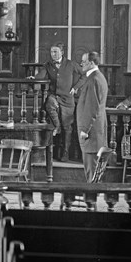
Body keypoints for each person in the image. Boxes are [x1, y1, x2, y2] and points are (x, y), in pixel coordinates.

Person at [30, 43, 85, 162]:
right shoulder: (48, 65)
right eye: (51, 52)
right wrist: (34, 79)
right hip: (54, 96)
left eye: (55, 52)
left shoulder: (70, 64)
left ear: (62, 52)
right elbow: (40, 75)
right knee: (49, 102)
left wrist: (76, 87)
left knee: (67, 127)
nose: (53, 54)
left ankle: (65, 152)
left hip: (68, 99)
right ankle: (57, 126)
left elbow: (84, 75)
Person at [76, 52, 108, 182]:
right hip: (95, 130)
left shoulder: (94, 79)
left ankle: (91, 198)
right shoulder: (96, 77)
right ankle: (92, 196)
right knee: (94, 170)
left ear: (92, 63)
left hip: (91, 132)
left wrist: (84, 129)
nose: (81, 64)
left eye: (84, 61)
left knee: (92, 171)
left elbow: (91, 108)